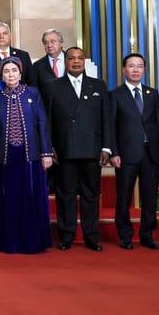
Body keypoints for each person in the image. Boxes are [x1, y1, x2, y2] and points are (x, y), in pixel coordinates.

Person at [0, 56, 54, 254]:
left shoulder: (33, 93)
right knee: (6, 198)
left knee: (30, 196)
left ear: (21, 74)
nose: (11, 74)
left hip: (30, 155)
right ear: (1, 76)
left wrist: (46, 152)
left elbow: (42, 123)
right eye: (6, 71)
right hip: (2, 157)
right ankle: (6, 241)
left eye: (14, 70)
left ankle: (31, 241)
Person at [42, 46, 111, 251]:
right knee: (66, 195)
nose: (76, 61)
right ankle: (67, 236)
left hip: (92, 149)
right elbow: (47, 120)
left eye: (80, 58)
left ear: (84, 61)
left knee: (91, 194)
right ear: (65, 62)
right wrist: (48, 147)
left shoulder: (98, 85)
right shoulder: (53, 86)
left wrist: (107, 147)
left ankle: (92, 236)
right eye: (71, 58)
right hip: (64, 150)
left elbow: (106, 119)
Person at [109, 53, 159, 250]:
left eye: (140, 66)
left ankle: (147, 234)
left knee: (150, 197)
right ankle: (125, 235)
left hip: (151, 153)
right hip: (126, 154)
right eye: (131, 66)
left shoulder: (152, 93)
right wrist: (114, 152)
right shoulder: (115, 94)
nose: (135, 70)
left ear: (144, 70)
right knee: (124, 196)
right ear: (124, 70)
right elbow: (111, 126)